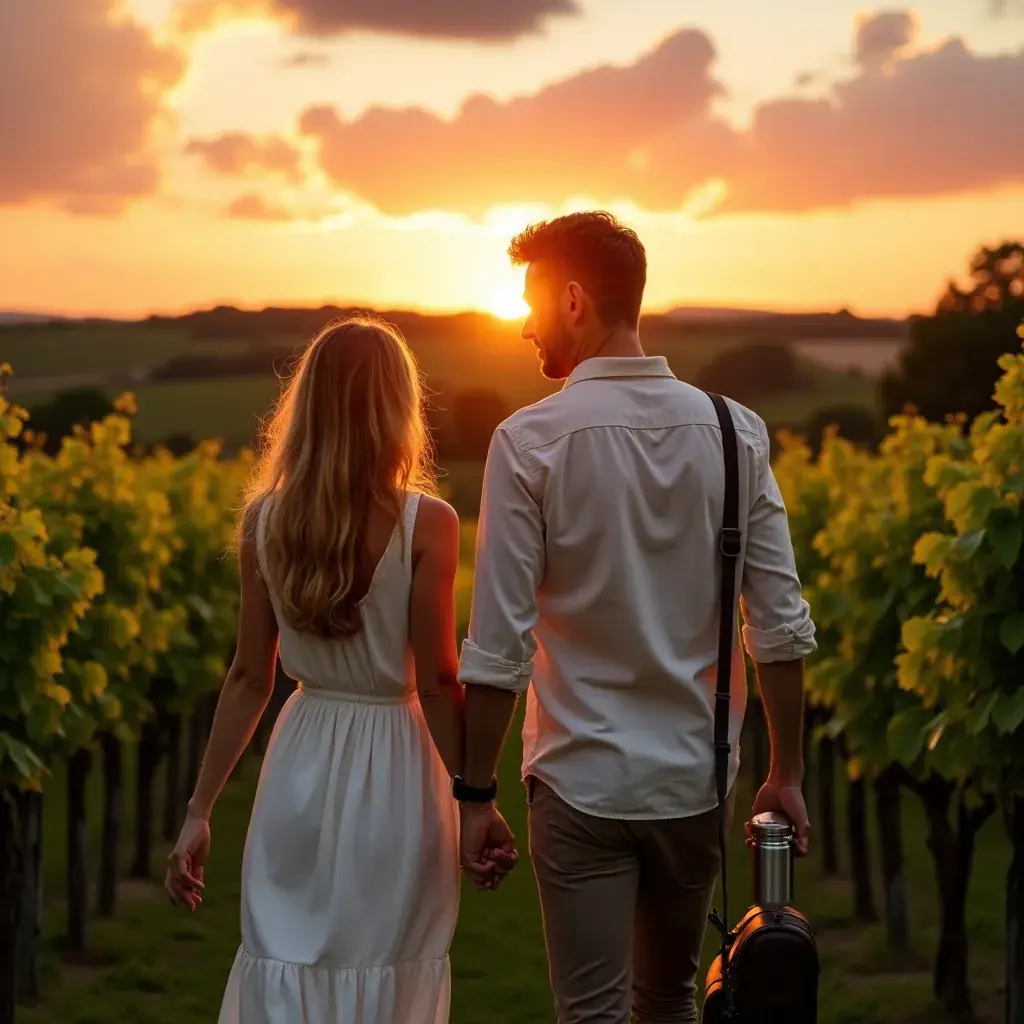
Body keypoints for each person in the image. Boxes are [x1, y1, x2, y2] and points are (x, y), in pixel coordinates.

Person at [456, 211, 817, 1023]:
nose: (523, 325)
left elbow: (498, 646)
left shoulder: (528, 442)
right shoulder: (735, 433)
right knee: (670, 999)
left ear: (575, 301)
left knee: (592, 1014)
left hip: (580, 780)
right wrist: (785, 773)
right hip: (694, 781)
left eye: (533, 304)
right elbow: (781, 624)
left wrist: (475, 797)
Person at [164, 316, 515, 1024]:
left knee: (288, 959)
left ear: (309, 407)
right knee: (384, 970)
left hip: (300, 761)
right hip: (398, 767)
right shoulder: (428, 524)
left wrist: (199, 811)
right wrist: (475, 801)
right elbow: (439, 682)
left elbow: (248, 678)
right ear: (398, 407)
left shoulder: (266, 521)